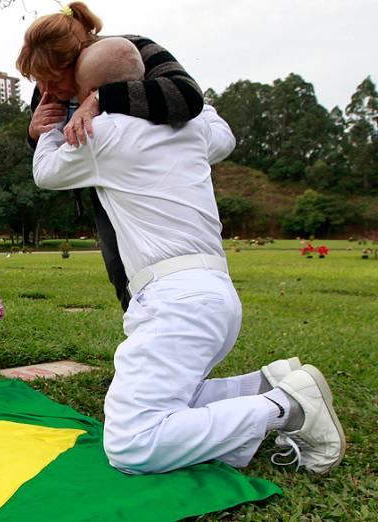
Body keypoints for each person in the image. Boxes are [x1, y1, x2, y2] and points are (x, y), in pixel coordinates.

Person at [32, 37, 345, 475]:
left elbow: (46, 172)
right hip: (213, 297)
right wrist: (172, 77)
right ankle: (266, 384)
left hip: (174, 302)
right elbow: (219, 128)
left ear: (90, 95)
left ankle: (287, 406)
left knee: (131, 445)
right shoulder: (195, 129)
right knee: (169, 401)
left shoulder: (102, 135)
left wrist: (44, 129)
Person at [17, 2, 204, 311]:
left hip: (163, 183)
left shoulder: (134, 49)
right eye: (38, 80)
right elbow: (50, 152)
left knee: (172, 272)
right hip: (106, 190)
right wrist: (33, 133)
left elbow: (187, 97)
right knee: (121, 273)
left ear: (78, 61)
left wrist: (104, 97)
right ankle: (144, 339)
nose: (46, 90)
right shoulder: (48, 88)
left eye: (54, 80)